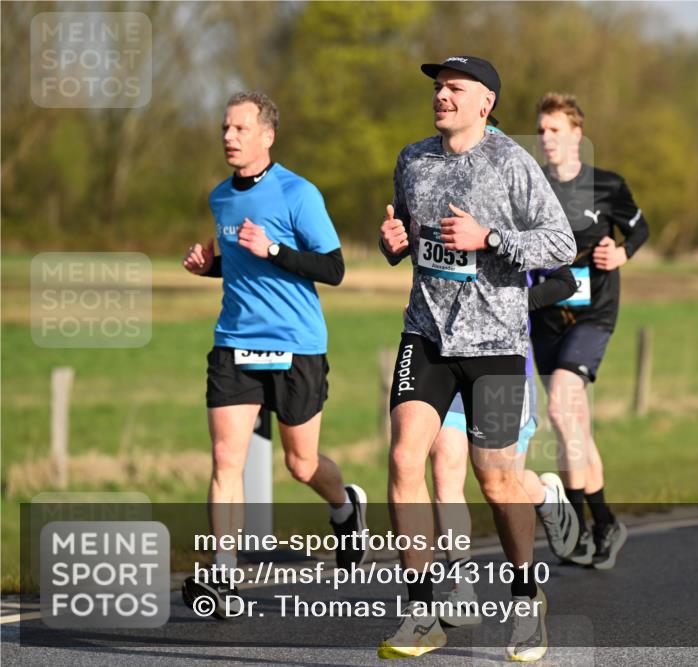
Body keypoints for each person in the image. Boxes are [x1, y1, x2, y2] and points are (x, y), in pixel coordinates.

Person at [377, 57, 576, 661]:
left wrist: (490, 237)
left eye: (454, 88)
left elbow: (560, 244)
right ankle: (420, 612)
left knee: (495, 479)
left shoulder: (510, 163)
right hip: (428, 334)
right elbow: (410, 236)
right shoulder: (413, 160)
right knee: (406, 457)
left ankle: (525, 599)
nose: (441, 95)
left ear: (484, 103)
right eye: (438, 87)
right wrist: (395, 244)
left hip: (494, 343)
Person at [180, 91, 368, 617]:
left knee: (301, 464)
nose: (228, 137)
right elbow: (238, 265)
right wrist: (207, 266)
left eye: (240, 129)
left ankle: (345, 505)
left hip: (296, 345)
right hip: (234, 342)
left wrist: (276, 250)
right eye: (224, 129)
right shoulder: (220, 197)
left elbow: (333, 269)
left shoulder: (298, 193)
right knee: (225, 460)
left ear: (267, 135)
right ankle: (224, 575)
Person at [531, 92, 650, 570]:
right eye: (541, 131)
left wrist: (621, 253)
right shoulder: (532, 186)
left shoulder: (607, 186)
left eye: (554, 130)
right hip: (545, 317)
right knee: (574, 425)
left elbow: (639, 229)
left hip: (594, 314)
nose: (546, 139)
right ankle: (602, 524)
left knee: (560, 406)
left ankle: (578, 530)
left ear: (577, 134)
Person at [430, 261, 579, 628]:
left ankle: (545, 496)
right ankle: (462, 587)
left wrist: (509, 304)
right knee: (444, 469)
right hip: (444, 358)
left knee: (502, 481)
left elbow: (565, 281)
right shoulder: (434, 205)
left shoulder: (517, 208)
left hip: (502, 362)